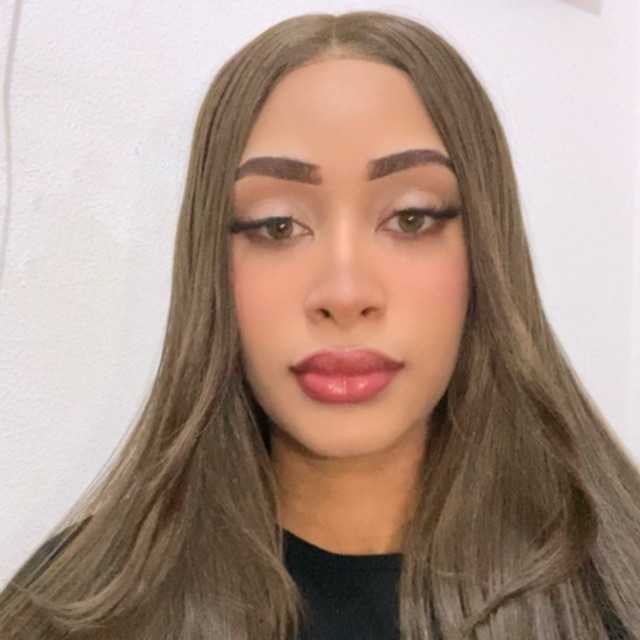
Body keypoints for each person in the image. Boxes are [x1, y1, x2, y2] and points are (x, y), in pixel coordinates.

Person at [0, 10, 638, 640]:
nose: (344, 294)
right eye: (277, 226)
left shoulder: (618, 586)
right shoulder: (72, 615)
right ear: (212, 265)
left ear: (485, 253)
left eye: (411, 218)